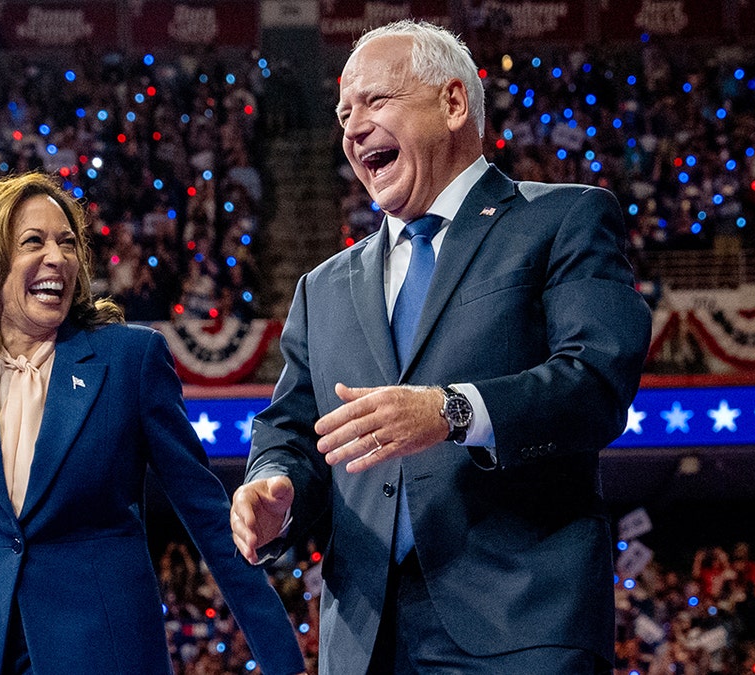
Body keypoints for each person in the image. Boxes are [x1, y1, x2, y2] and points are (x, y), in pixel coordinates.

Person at [229, 20, 651, 674]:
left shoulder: (564, 219)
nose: (352, 126)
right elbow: (293, 428)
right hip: (365, 641)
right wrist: (273, 485)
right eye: (344, 112)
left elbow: (595, 383)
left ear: (453, 103)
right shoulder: (323, 287)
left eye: (375, 101)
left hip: (521, 625)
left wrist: (450, 411)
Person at [0, 173, 305, 675]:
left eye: (67, 243)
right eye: (33, 242)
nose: (57, 258)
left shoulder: (130, 360)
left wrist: (281, 657)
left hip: (108, 656)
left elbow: (209, 518)